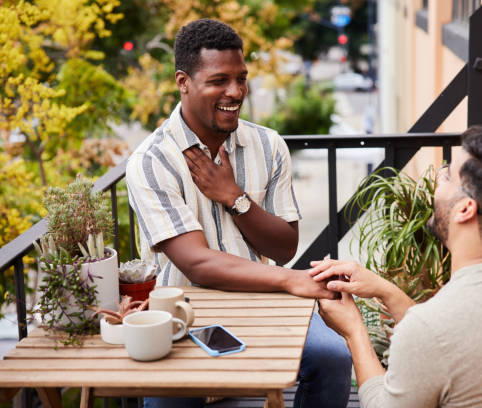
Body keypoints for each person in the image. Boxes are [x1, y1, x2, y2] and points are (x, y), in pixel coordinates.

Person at [125, 18, 351, 408]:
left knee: (333, 356)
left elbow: (284, 246)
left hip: (263, 301)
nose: (235, 92)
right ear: (183, 82)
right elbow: (196, 263)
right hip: (184, 311)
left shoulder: (268, 145)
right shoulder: (151, 161)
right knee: (168, 398)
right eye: (219, 81)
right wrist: (290, 281)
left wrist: (235, 197)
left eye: (241, 78)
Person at [311, 126, 482, 407]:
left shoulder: (430, 329)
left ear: (465, 209)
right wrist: (387, 291)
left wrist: (354, 333)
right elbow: (459, 342)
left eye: (446, 175)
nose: (436, 180)